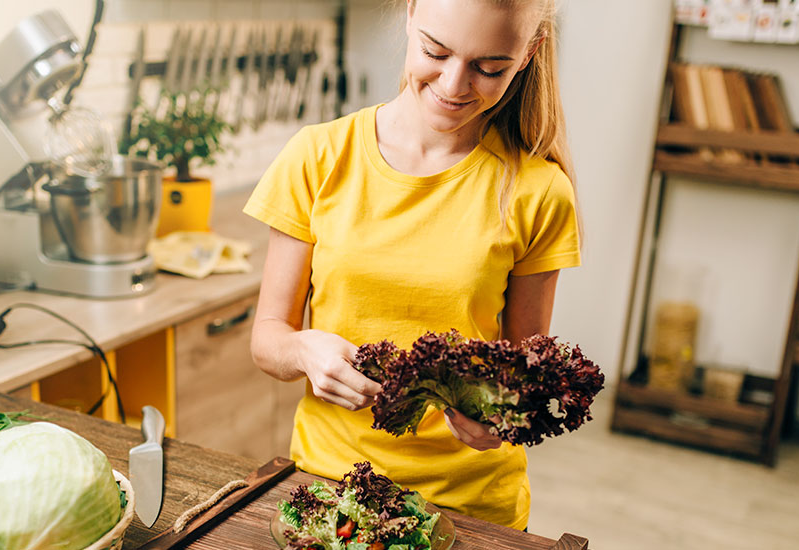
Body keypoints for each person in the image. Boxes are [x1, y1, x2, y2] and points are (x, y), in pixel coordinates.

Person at [244, 0, 579, 531]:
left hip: (472, 506)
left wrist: (500, 416)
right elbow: (268, 338)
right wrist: (304, 350)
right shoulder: (317, 156)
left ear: (527, 54)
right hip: (333, 489)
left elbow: (521, 372)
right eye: (435, 51)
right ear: (409, 13)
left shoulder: (538, 191)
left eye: (488, 68)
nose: (453, 84)